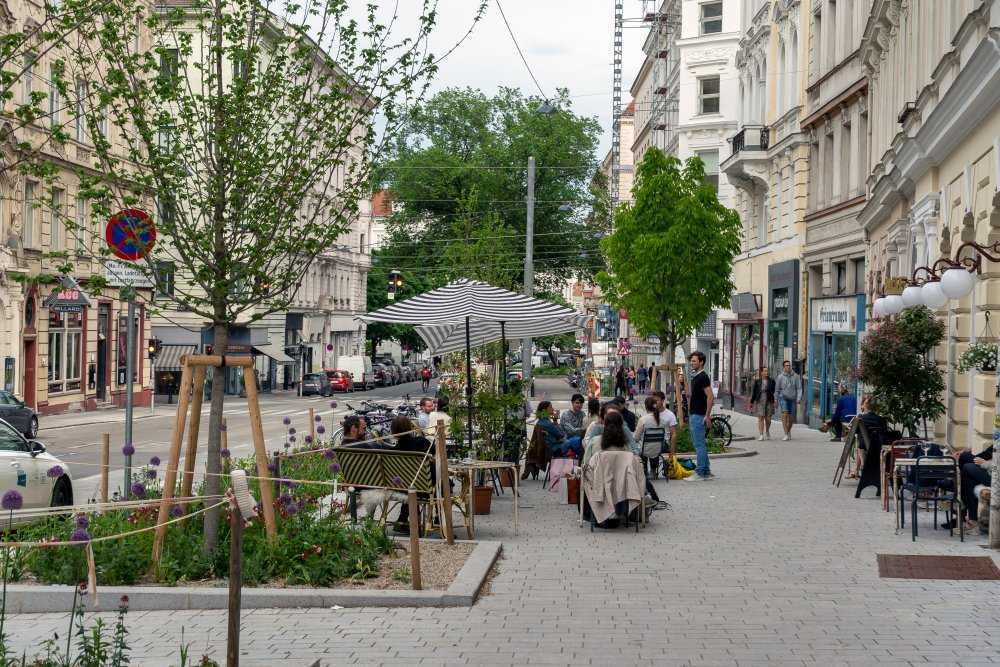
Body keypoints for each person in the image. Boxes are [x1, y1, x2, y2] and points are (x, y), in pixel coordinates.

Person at [390, 415, 433, 533]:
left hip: (401, 488)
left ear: (393, 432)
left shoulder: (393, 452)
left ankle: (402, 520)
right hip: (424, 487)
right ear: (410, 427)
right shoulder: (422, 442)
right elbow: (435, 461)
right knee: (445, 483)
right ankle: (438, 518)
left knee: (409, 483)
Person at [685, 350, 714, 481]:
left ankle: (700, 472)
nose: (692, 363)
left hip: (698, 415)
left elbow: (710, 396)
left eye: (694, 361)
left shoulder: (702, 377)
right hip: (695, 413)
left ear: (701, 362)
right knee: (700, 444)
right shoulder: (696, 376)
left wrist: (707, 416)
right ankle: (706, 471)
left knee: (699, 444)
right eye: (691, 361)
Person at [634, 396, 668, 479]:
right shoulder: (662, 420)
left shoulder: (643, 420)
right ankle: (653, 471)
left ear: (646, 407)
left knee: (642, 447)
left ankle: (644, 470)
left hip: (644, 450)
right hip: (658, 449)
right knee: (653, 447)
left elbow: (636, 438)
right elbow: (666, 436)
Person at [775, 360, 802, 441]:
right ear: (784, 367)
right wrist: (775, 399)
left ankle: (788, 430)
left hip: (793, 399)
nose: (788, 367)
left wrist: (798, 398)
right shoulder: (780, 377)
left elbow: (799, 388)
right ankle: (786, 434)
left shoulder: (796, 376)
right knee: (784, 414)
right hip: (783, 397)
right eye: (786, 365)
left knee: (791, 419)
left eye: (789, 365)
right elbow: (777, 389)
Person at [749, 367, 777, 441]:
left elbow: (774, 391)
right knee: (760, 417)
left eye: (767, 371)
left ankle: (767, 431)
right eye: (764, 371)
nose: (766, 372)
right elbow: (754, 393)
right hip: (760, 401)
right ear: (761, 372)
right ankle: (761, 434)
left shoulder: (772, 381)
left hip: (769, 400)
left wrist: (774, 400)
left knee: (768, 419)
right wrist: (751, 402)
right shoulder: (757, 381)